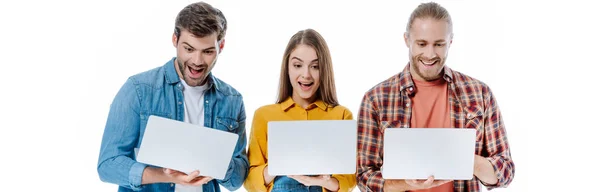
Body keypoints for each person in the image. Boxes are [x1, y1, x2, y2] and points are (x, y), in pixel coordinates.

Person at [356, 2, 515, 192]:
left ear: (451, 41)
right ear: (407, 39)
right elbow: (364, 175)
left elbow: (505, 171)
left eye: (439, 44)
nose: (430, 54)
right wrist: (404, 184)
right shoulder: (376, 99)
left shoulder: (479, 93)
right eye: (422, 44)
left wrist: (466, 160)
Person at [97, 2, 248, 192]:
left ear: (221, 46)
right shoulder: (138, 90)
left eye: (208, 51)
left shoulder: (232, 100)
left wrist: (216, 161)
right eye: (189, 49)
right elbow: (107, 165)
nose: (197, 61)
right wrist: (163, 175)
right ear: (175, 40)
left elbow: (237, 180)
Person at [243, 29, 356, 192]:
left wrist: (324, 181)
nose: (306, 74)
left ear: (324, 70)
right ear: (287, 68)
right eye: (297, 65)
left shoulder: (341, 116)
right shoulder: (264, 115)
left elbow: (350, 179)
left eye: (315, 66)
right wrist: (277, 166)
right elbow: (250, 181)